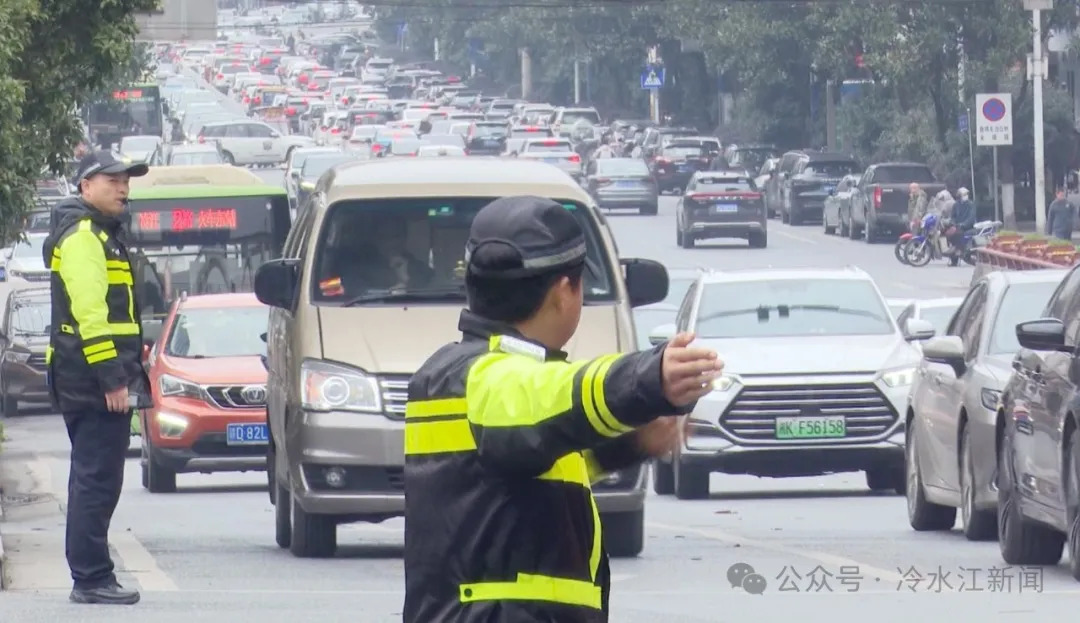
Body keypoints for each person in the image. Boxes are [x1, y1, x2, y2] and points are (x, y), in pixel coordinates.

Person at [403, 196, 723, 622]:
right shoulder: (492, 376)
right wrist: (649, 378)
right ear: (563, 292)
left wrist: (630, 444)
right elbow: (556, 396)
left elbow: (529, 460)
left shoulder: (459, 374)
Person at [44, 150, 151, 605]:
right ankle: (90, 577)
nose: (123, 187)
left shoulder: (101, 234)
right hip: (93, 379)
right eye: (112, 180)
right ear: (86, 187)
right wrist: (112, 379)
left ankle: (92, 573)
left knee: (93, 477)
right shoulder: (85, 236)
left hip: (89, 375)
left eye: (126, 180)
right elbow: (91, 315)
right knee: (96, 479)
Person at [947, 187, 976, 254]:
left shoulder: (971, 205)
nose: (966, 196)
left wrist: (963, 224)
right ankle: (953, 252)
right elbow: (953, 216)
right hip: (957, 226)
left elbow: (971, 218)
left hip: (968, 227)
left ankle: (959, 249)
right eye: (964, 194)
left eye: (966, 194)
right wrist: (952, 223)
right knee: (949, 233)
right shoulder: (956, 205)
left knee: (958, 233)